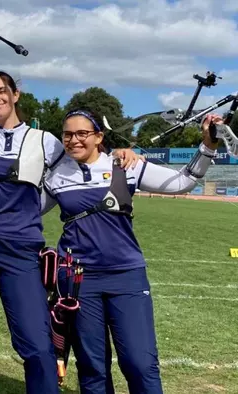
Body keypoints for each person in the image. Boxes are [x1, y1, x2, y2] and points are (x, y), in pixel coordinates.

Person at [0, 31, 141, 393]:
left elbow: (81, 159)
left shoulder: (46, 141)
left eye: (1, 92)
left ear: (15, 95)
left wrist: (120, 154)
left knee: (37, 343)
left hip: (21, 248)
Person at [40, 108, 220, 394]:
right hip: (78, 281)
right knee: (91, 366)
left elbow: (182, 182)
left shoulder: (126, 165)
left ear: (98, 137)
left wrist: (208, 147)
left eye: (82, 133)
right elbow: (23, 212)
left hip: (127, 276)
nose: (74, 140)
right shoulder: (56, 176)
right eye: (68, 134)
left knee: (140, 362)